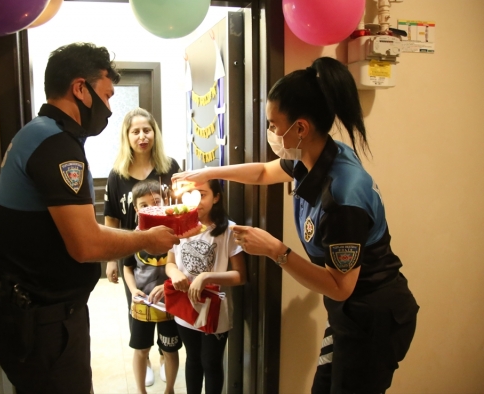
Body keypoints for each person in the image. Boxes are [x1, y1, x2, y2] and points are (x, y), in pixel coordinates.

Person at [172, 57, 419, 394]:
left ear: (300, 128)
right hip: (346, 314)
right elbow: (262, 172)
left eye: (274, 125)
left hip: (374, 317)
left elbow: (339, 286)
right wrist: (207, 173)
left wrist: (276, 250)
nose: (271, 133)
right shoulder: (311, 156)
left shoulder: (344, 196)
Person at [0, 42, 179, 394]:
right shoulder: (55, 144)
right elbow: (86, 243)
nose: (108, 107)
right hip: (43, 322)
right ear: (80, 88)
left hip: (39, 315)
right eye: (105, 96)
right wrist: (148, 238)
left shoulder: (39, 133)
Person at [103, 107, 181, 384]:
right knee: (137, 305)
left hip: (168, 253)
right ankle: (144, 357)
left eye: (147, 130)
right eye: (135, 131)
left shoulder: (169, 168)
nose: (142, 136)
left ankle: (165, 351)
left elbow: (180, 209)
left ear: (154, 133)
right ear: (127, 137)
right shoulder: (117, 174)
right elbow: (111, 217)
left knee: (168, 306)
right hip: (132, 255)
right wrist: (112, 259)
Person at [165, 179, 247, 394]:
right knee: (192, 359)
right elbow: (170, 262)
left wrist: (206, 277)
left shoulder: (228, 230)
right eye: (190, 194)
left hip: (213, 310)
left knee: (210, 363)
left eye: (202, 194)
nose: (196, 201)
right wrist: (174, 273)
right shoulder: (179, 225)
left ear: (216, 197)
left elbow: (240, 276)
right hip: (185, 305)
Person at [124, 179, 183, 394]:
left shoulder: (175, 235)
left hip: (169, 303)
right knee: (140, 349)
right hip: (143, 303)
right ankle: (141, 391)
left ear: (165, 202)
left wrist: (169, 286)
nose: (151, 208)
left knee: (170, 348)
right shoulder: (132, 236)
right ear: (135, 208)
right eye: (144, 205)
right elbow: (128, 268)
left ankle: (169, 389)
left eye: (156, 201)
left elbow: (180, 268)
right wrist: (132, 290)